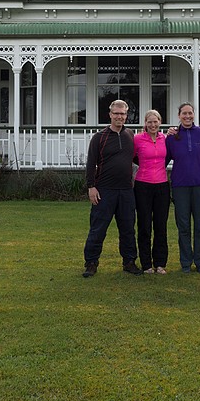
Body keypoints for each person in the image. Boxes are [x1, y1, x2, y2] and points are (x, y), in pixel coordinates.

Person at [82, 99, 143, 277]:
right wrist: (91, 187)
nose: (119, 117)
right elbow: (90, 164)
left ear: (126, 115)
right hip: (104, 191)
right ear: (110, 114)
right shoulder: (99, 137)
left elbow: (138, 158)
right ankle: (91, 263)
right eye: (116, 113)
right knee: (98, 229)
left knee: (128, 229)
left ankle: (129, 262)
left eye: (122, 114)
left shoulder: (130, 135)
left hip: (126, 191)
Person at [165, 102, 200, 274]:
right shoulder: (172, 137)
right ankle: (185, 262)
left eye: (190, 113)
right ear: (179, 116)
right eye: (184, 113)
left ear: (194, 114)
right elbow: (161, 160)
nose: (187, 116)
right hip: (180, 186)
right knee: (183, 226)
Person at [133, 110, 170, 274]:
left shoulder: (165, 139)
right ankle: (146, 264)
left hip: (162, 186)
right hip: (143, 185)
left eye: (155, 122)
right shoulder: (137, 139)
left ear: (160, 122)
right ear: (145, 123)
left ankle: (160, 263)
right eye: (150, 122)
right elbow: (131, 157)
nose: (153, 125)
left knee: (161, 226)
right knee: (144, 225)